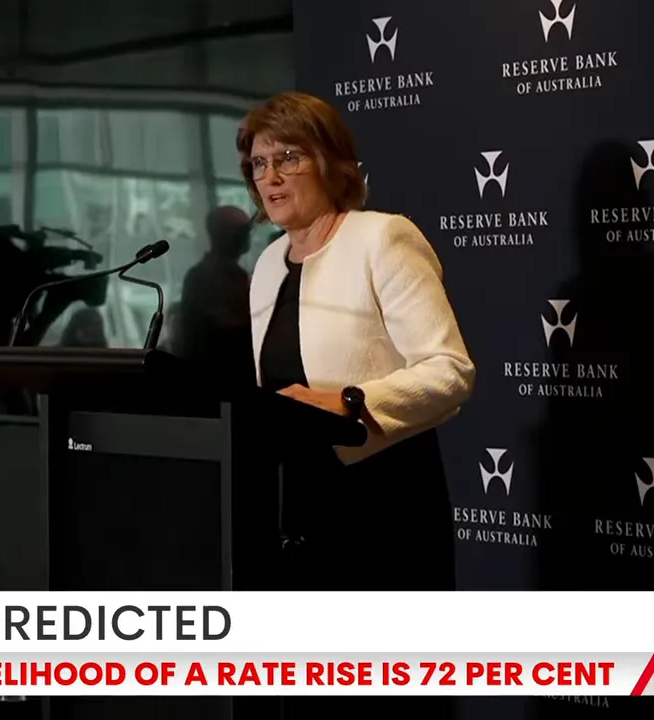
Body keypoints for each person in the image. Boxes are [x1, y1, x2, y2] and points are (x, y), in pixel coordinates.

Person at [240, 90, 473, 715]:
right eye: (259, 164)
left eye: (288, 157)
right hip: (296, 510)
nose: (271, 176)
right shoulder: (266, 264)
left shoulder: (382, 239)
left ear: (332, 162)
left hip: (383, 503)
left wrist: (348, 401)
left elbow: (450, 371)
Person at [177, 206, 255, 386]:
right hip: (216, 385)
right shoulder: (201, 277)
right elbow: (230, 326)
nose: (246, 237)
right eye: (241, 231)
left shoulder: (238, 275)